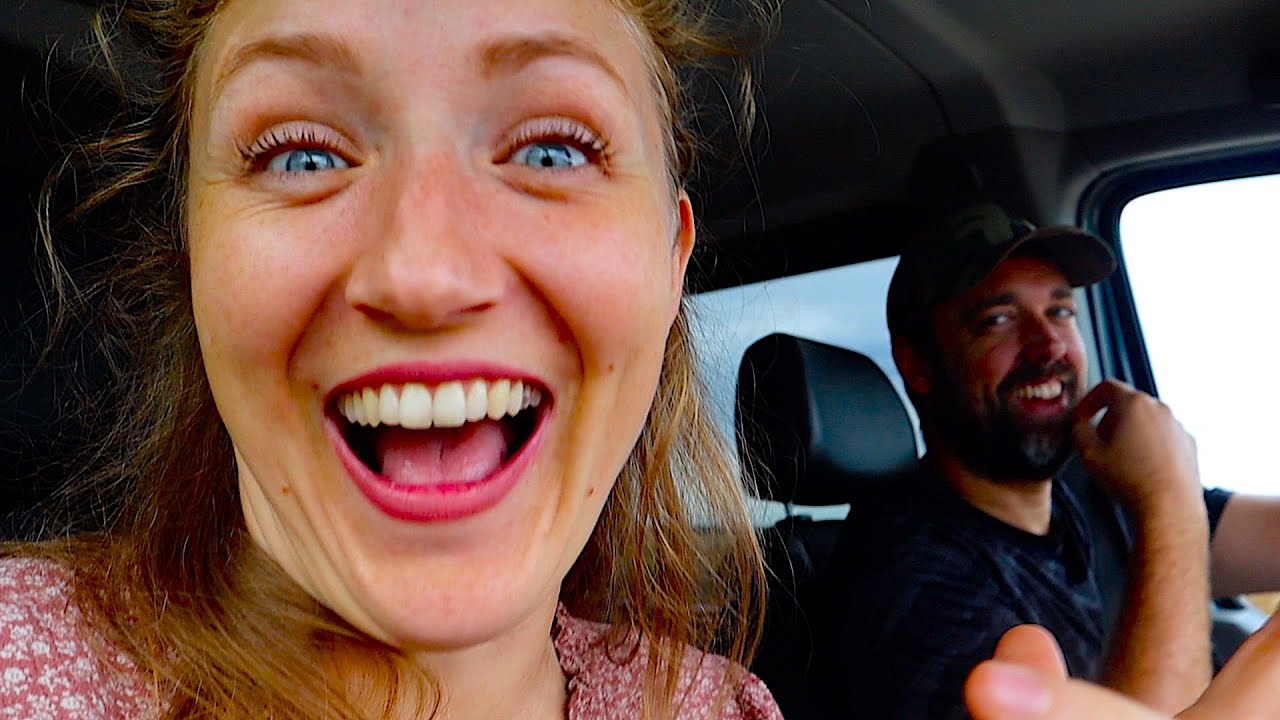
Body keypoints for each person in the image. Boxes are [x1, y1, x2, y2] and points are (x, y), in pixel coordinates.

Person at [0, 0, 785, 718]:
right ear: (193, 261)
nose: (423, 277)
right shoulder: (21, 661)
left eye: (552, 152)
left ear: (671, 261)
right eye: (302, 158)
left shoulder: (721, 709)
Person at [816, 201, 1280, 718]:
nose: (1048, 346)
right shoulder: (903, 579)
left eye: (1060, 311)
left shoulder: (1093, 485)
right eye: (998, 320)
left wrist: (1169, 497)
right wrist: (1170, 496)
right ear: (919, 365)